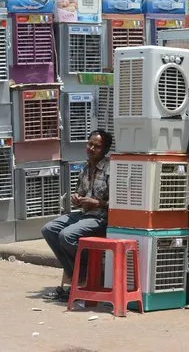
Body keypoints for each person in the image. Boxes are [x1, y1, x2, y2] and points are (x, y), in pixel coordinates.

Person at [41, 129, 113, 301]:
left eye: (97, 146)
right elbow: (80, 193)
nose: (92, 148)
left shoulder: (111, 169)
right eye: (90, 144)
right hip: (84, 215)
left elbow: (119, 204)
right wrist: (77, 198)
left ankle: (82, 272)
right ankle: (78, 274)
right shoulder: (85, 168)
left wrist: (98, 203)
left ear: (104, 150)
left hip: (101, 218)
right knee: (49, 229)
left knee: (66, 236)